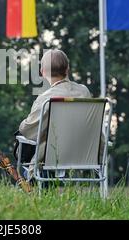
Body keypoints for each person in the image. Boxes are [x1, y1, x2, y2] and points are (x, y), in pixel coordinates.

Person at [15, 49, 91, 179]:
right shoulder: (84, 92)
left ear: (42, 72)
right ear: (67, 69)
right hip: (86, 153)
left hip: (52, 155)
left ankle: (39, 183)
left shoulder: (45, 99)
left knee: (29, 145)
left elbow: (28, 130)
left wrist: (22, 125)